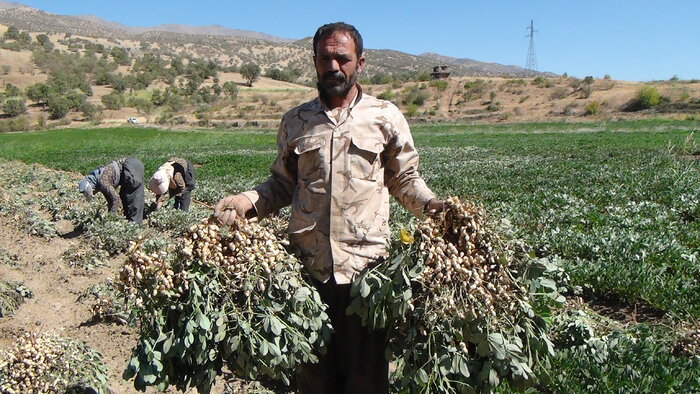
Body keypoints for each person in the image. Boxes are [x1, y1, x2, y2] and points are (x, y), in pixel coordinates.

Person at [214, 22, 443, 394]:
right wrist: (246, 201)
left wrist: (434, 207)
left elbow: (404, 180)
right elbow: (282, 184)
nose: (334, 66)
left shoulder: (385, 117)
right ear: (315, 62)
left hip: (367, 276)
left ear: (360, 63)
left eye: (343, 58)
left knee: (366, 381)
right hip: (309, 274)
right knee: (314, 380)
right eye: (325, 58)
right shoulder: (296, 121)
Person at [78, 157, 144, 224]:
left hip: (131, 167)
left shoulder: (102, 182)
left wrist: (110, 219)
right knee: (123, 196)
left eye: (93, 192)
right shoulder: (100, 181)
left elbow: (115, 199)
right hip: (128, 168)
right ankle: (129, 221)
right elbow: (110, 200)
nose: (94, 193)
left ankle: (135, 225)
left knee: (132, 197)